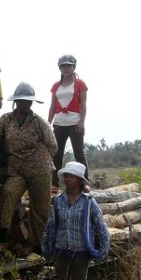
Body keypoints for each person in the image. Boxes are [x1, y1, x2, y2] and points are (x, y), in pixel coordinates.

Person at [0, 82, 57, 253]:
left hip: (40, 168)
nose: (25, 104)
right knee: (8, 193)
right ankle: (2, 235)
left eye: (28, 102)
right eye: (22, 101)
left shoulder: (39, 122)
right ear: (16, 101)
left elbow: (52, 145)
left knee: (40, 208)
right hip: (17, 168)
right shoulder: (6, 119)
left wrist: (38, 157)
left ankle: (39, 245)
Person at [41, 161, 110, 280]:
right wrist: (47, 249)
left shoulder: (89, 202)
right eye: (66, 176)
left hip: (80, 254)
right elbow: (50, 226)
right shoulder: (58, 200)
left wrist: (102, 252)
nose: (68, 179)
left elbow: (101, 228)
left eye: (72, 176)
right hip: (61, 253)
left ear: (79, 180)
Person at [48, 54, 89, 189]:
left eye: (68, 66)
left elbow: (83, 104)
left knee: (79, 153)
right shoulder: (56, 86)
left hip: (74, 121)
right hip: (59, 122)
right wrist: (48, 123)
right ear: (59, 68)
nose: (66, 68)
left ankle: (85, 182)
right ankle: (55, 183)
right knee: (56, 153)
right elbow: (53, 106)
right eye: (63, 66)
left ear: (73, 67)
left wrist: (82, 121)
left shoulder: (80, 84)